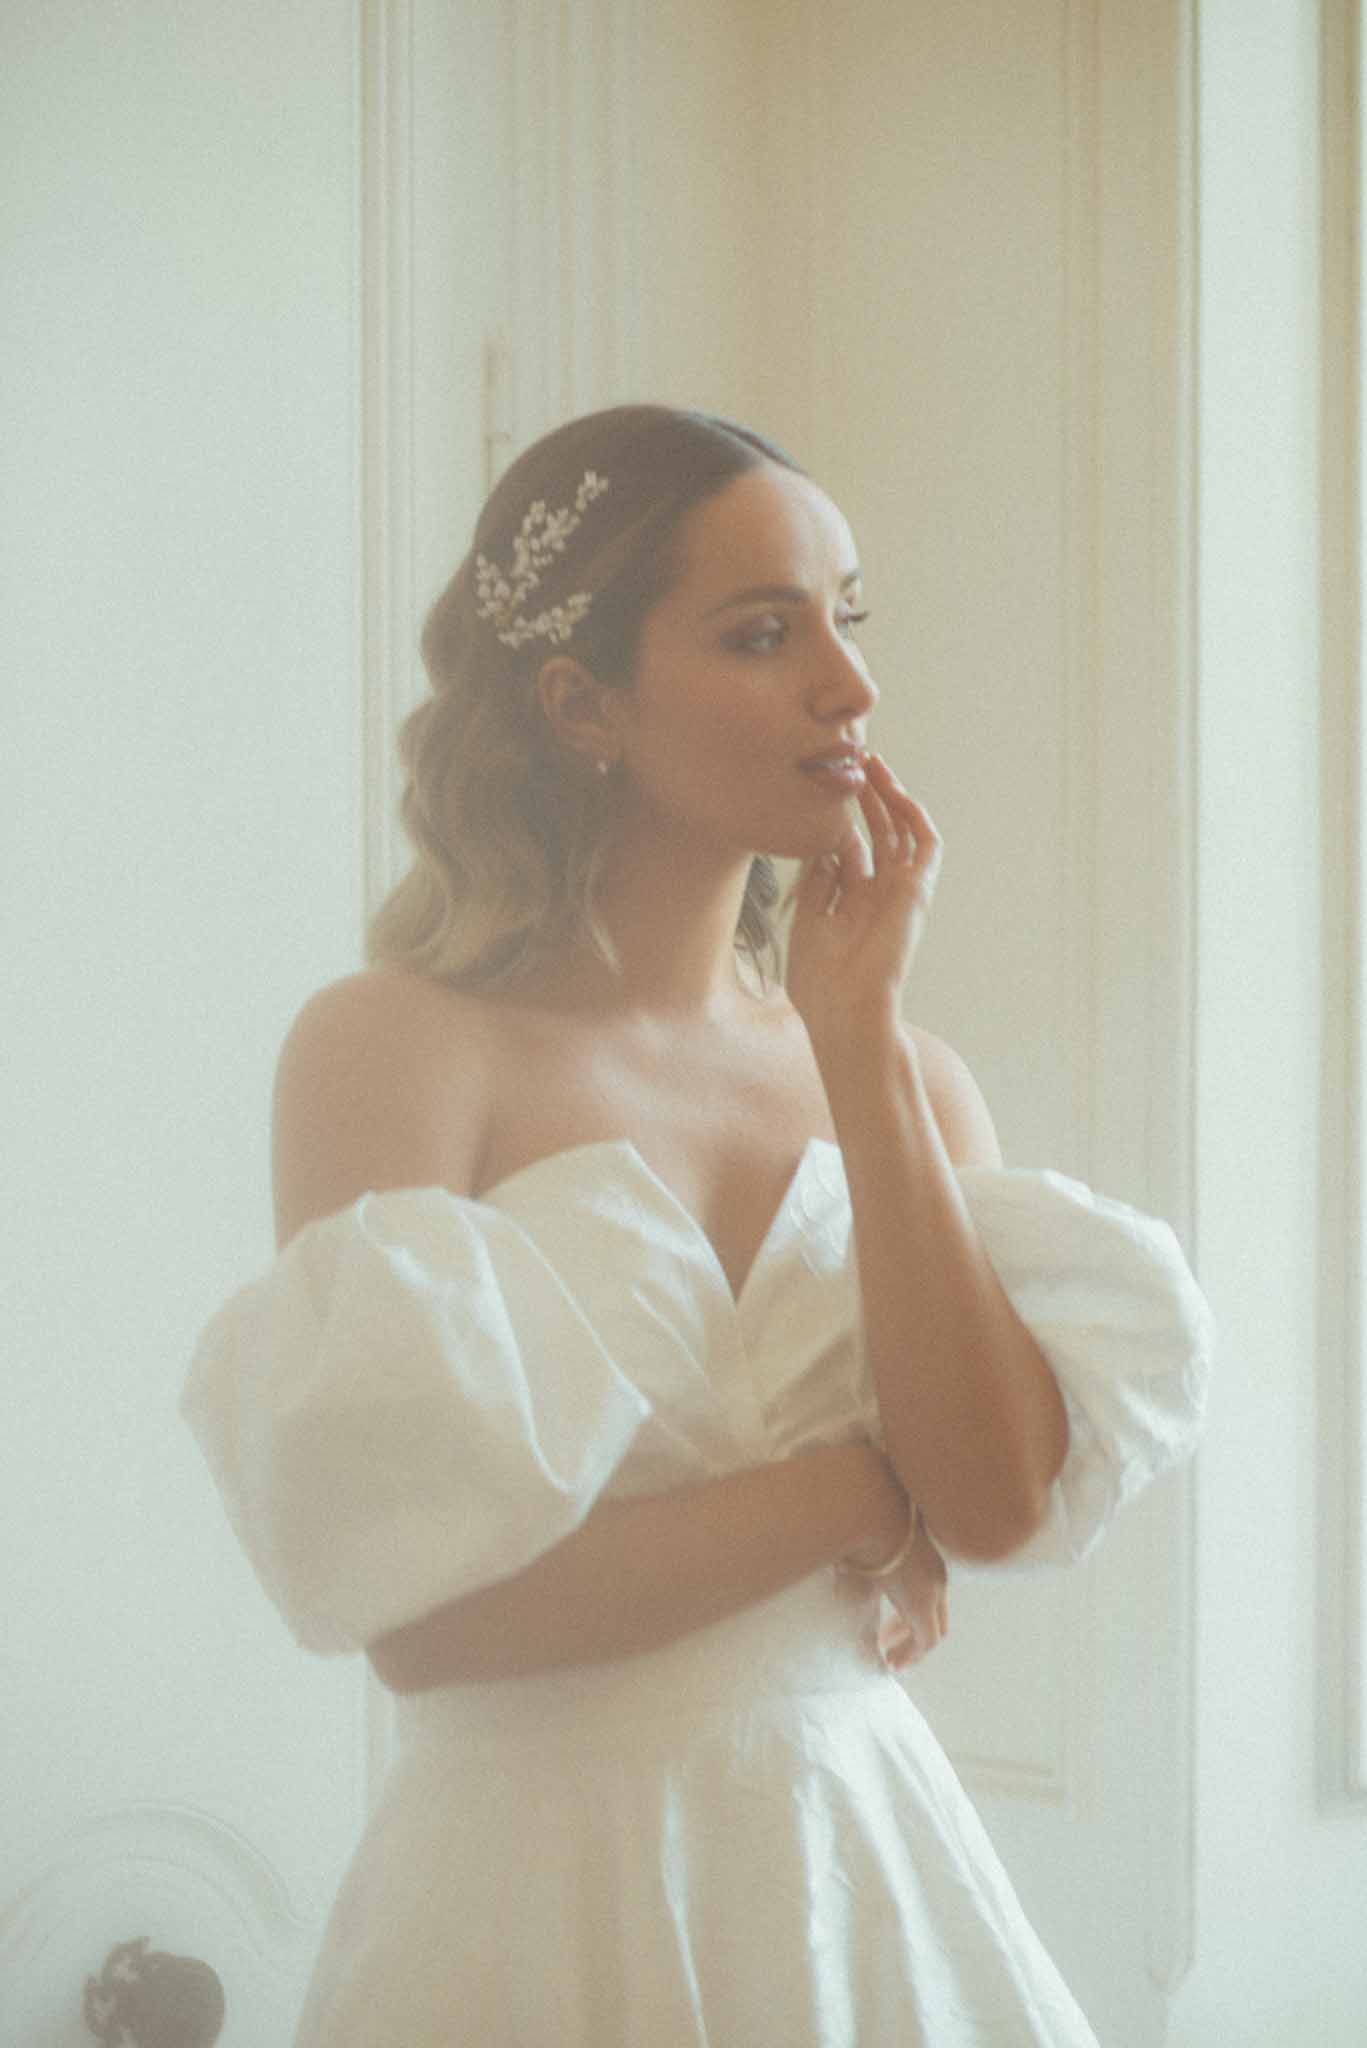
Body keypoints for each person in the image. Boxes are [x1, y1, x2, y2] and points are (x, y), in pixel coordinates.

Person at [183, 403, 1213, 2046]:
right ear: (582, 701)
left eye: (847, 618)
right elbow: (433, 1623)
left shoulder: (912, 1082)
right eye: (762, 632)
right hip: (527, 1904)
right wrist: (844, 1494)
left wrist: (859, 1048)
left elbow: (998, 1506)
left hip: (852, 1877)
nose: (849, 686)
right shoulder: (400, 1047)